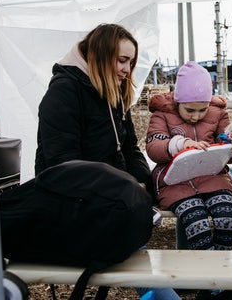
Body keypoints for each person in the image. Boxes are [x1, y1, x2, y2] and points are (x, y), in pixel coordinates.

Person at [35, 23, 180, 300]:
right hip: (74, 204)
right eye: (122, 60)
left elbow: (129, 149)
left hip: (110, 202)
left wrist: (142, 182)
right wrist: (123, 186)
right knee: (137, 257)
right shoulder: (64, 92)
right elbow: (62, 166)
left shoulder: (113, 92)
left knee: (138, 250)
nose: (127, 70)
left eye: (131, 62)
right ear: (100, 56)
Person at [146, 61, 232, 252]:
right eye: (189, 110)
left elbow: (226, 144)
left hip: (213, 179)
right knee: (197, 223)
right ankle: (201, 270)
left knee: (228, 217)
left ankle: (221, 265)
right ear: (178, 101)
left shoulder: (218, 114)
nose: (196, 116)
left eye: (202, 110)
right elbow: (154, 147)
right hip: (174, 184)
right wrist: (180, 144)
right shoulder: (162, 114)